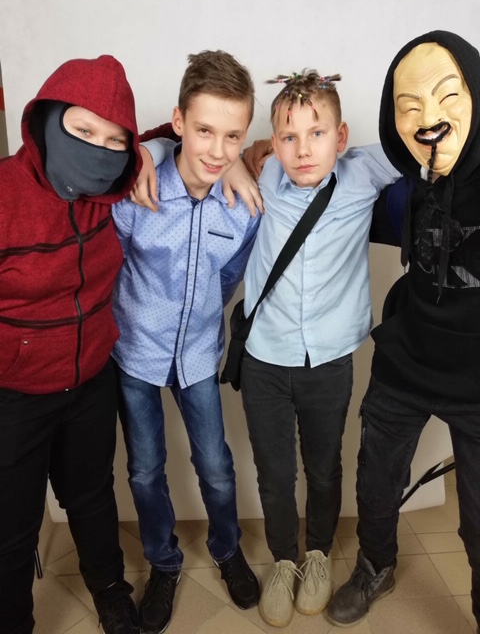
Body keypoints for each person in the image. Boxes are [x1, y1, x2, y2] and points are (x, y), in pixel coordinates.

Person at [327, 30, 480, 632]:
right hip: (407, 360)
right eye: (409, 105)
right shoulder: (405, 190)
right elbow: (321, 175)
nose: (429, 117)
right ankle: (376, 564)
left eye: (447, 95)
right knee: (375, 480)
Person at [237, 70, 400, 628]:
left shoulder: (362, 174)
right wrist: (237, 160)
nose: (303, 149)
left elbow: (418, 142)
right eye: (289, 136)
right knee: (274, 471)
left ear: (341, 136)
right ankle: (284, 559)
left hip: (328, 359)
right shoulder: (262, 171)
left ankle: (318, 554)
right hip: (264, 356)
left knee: (324, 466)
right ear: (273, 141)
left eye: (317, 133)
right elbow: (188, 148)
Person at [111, 50, 261, 634]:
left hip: (198, 353)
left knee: (216, 465)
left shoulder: (243, 208)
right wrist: (145, 151)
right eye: (204, 130)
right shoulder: (137, 192)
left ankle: (227, 549)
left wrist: (199, 319)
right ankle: (164, 563)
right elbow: (111, 265)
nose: (217, 151)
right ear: (178, 122)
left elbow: (229, 280)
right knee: (145, 470)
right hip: (136, 353)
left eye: (233, 136)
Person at [0, 55, 144, 634]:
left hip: (90, 379)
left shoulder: (114, 191)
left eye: (114, 141)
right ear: (47, 120)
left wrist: (249, 159)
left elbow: (186, 144)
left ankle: (110, 592)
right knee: (11, 528)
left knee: (91, 496)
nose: (98, 152)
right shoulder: (4, 195)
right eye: (83, 131)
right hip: (15, 394)